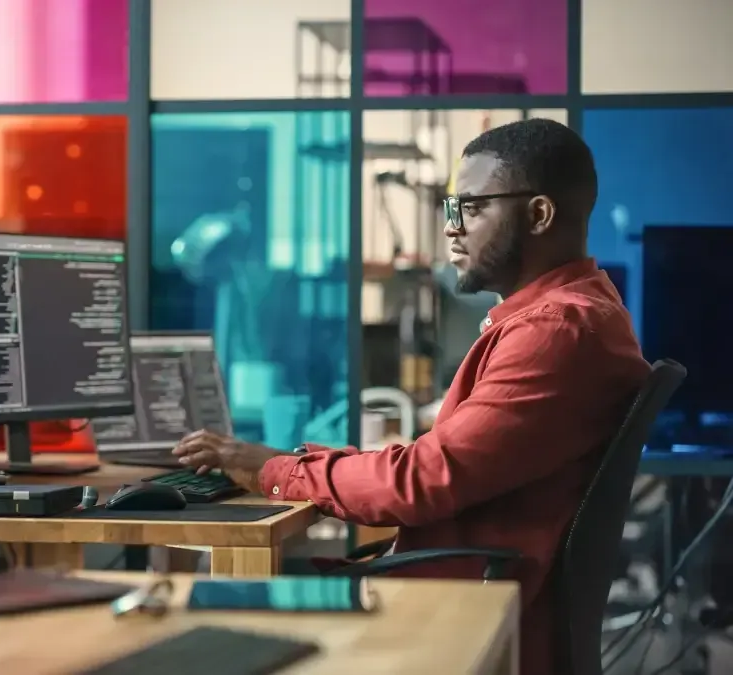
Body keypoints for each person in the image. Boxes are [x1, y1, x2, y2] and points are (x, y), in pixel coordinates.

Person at [172, 118, 649, 675]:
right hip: (478, 596)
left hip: (470, 616)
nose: (450, 229)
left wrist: (276, 471)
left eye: (470, 208)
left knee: (200, 618)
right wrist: (298, 464)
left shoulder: (555, 331)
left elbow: (422, 481)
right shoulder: (578, 314)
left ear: (539, 214)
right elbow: (432, 468)